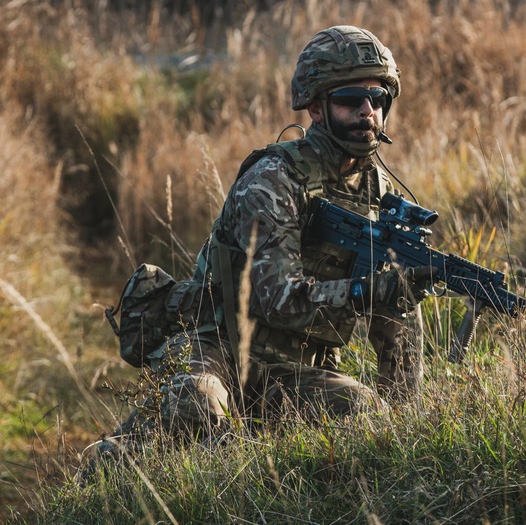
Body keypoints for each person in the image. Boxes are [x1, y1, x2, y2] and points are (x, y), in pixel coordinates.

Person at [94, 26, 436, 456]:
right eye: (351, 99)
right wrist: (366, 291)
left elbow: (398, 322)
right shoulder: (272, 180)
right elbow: (275, 298)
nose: (368, 111)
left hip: (295, 372)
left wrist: (406, 430)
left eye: (379, 99)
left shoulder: (382, 194)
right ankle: (114, 463)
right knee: (193, 405)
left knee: (366, 417)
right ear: (315, 106)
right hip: (217, 347)